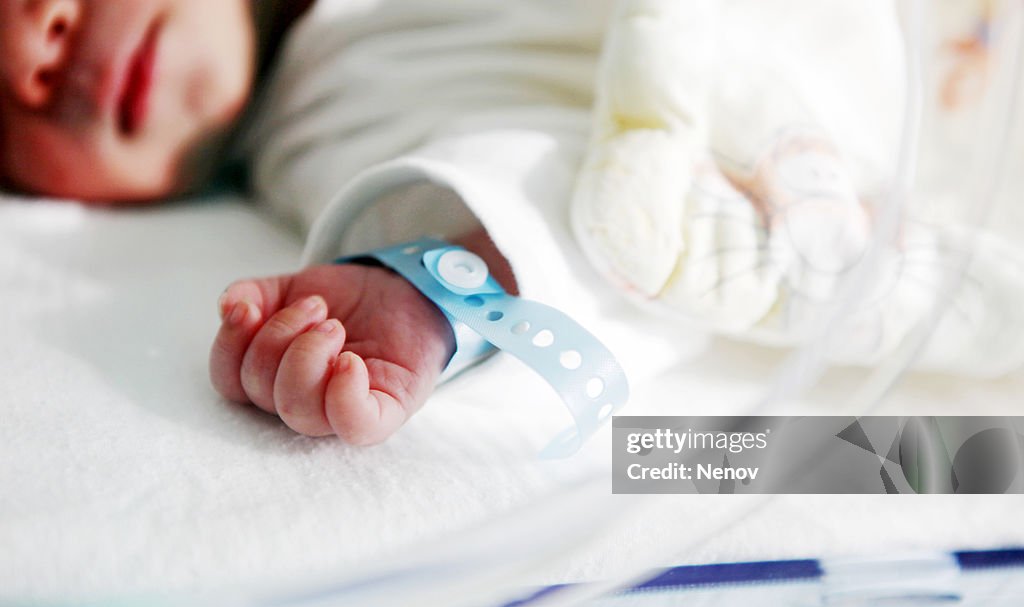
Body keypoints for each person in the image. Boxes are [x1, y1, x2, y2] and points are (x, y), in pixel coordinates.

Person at [2, 0, 1020, 445]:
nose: (31, 54)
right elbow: (566, 196)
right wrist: (437, 285)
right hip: (955, 113)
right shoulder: (323, 114)